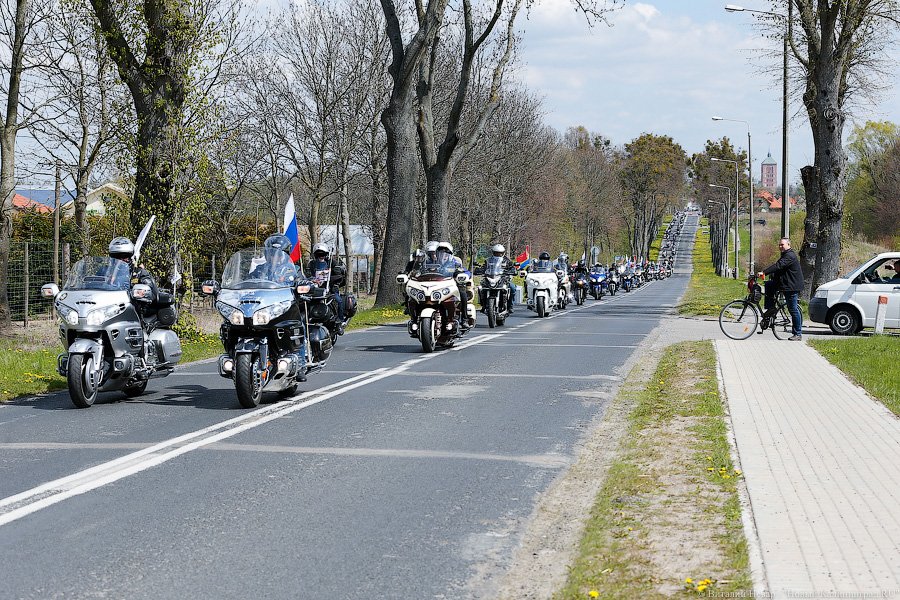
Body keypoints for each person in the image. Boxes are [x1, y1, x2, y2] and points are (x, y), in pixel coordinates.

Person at [758, 237, 804, 340]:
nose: (780, 247)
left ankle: (798, 333)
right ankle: (771, 308)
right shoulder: (785, 255)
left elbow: (778, 266)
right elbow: (779, 270)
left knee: (793, 309)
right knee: (769, 285)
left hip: (792, 286)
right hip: (785, 284)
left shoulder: (790, 255)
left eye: (782, 245)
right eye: (779, 245)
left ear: (788, 245)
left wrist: (764, 272)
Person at [306, 242, 347, 332]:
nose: (321, 256)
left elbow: (339, 275)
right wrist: (312, 279)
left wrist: (330, 279)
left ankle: (340, 321)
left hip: (330, 289)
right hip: (315, 289)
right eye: (318, 254)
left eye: (323, 254)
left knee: (338, 300)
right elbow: (307, 275)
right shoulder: (311, 264)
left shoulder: (332, 262)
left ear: (326, 254)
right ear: (315, 255)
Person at [108, 236, 159, 301]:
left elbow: (152, 293)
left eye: (124, 256)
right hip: (108, 305)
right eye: (117, 257)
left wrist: (139, 292)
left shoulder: (139, 273)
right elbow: (93, 284)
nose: (120, 260)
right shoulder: (104, 271)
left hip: (133, 306)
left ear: (130, 256)